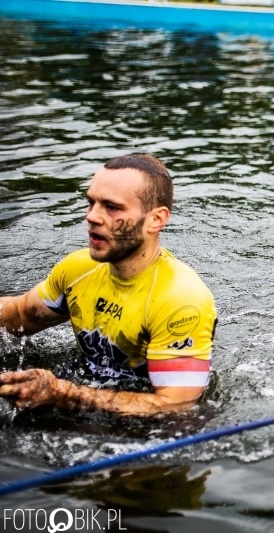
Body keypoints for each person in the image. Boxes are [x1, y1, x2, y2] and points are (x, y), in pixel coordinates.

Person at [0, 154, 217, 415]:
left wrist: (62, 393)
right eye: (91, 203)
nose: (92, 216)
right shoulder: (78, 269)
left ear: (156, 220)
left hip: (144, 432)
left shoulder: (181, 300)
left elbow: (176, 407)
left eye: (111, 207)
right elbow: (20, 315)